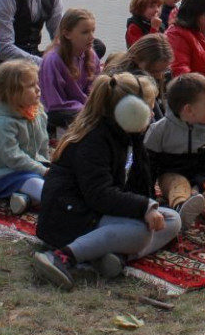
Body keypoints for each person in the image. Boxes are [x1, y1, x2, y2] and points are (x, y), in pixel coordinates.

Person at [32, 72, 181, 289]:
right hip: (70, 218)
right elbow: (99, 195)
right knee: (141, 233)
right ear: (130, 111)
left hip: (96, 212)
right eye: (148, 107)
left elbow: (139, 186)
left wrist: (149, 207)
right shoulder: (94, 141)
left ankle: (114, 257)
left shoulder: (128, 135)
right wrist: (144, 208)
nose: (151, 113)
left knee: (172, 220)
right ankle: (63, 256)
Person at [144, 73, 205, 231]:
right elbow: (148, 166)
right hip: (171, 177)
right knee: (179, 186)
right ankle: (181, 209)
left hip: (200, 178)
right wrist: (148, 199)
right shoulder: (159, 131)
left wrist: (199, 185)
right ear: (189, 110)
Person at [0, 59, 50, 215]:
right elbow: (12, 157)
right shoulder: (1, 122)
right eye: (31, 86)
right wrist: (42, 171)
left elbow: (43, 143)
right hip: (2, 172)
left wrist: (47, 164)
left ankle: (24, 199)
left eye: (37, 83)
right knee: (34, 182)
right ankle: (55, 202)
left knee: (61, 177)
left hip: (29, 166)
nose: (38, 89)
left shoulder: (37, 111)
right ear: (12, 92)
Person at [40, 8, 101, 137]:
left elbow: (95, 89)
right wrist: (88, 108)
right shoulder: (53, 61)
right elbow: (54, 104)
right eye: (85, 32)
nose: (92, 37)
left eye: (93, 31)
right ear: (67, 34)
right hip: (59, 116)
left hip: (85, 109)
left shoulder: (91, 55)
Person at [103, 32, 174, 120]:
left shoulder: (158, 76)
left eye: (163, 70)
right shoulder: (129, 83)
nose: (159, 76)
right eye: (153, 71)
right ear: (136, 60)